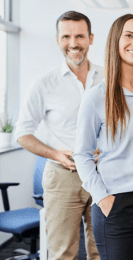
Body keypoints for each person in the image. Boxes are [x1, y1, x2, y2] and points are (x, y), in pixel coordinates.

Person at [73, 14, 133, 259]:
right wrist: (103, 198)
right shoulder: (96, 96)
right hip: (115, 205)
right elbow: (82, 155)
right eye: (129, 35)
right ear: (115, 41)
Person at [15, 11, 101, 260]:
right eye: (66, 36)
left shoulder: (109, 78)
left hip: (104, 174)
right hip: (64, 176)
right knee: (62, 254)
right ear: (57, 40)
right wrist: (55, 153)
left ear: (90, 38)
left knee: (103, 252)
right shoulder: (44, 84)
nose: (73, 43)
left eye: (79, 36)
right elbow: (22, 133)